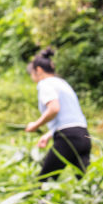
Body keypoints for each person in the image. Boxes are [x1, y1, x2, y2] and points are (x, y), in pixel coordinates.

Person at [24, 47, 91, 179]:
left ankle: (39, 199)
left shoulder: (45, 84)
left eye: (31, 73)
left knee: (45, 179)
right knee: (85, 183)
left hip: (68, 138)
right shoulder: (62, 83)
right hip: (83, 136)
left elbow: (54, 108)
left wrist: (35, 125)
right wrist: (48, 135)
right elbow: (70, 117)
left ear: (38, 70)